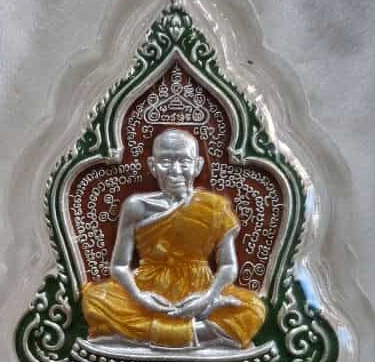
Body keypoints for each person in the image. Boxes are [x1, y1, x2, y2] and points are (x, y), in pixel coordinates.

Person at [81, 129, 265, 349]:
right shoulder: (137, 206)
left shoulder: (215, 207)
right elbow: (119, 266)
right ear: (152, 165)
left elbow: (227, 266)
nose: (175, 170)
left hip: (199, 288)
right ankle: (195, 333)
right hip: (148, 288)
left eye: (184, 162)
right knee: (95, 299)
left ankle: (153, 333)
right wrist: (140, 297)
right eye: (166, 161)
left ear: (197, 165)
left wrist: (207, 298)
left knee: (253, 308)